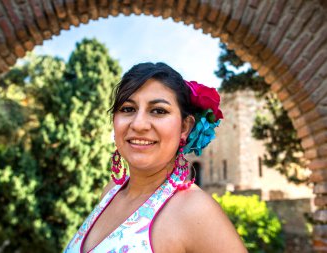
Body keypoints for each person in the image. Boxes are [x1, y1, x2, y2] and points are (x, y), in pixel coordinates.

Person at [64, 62, 247, 253]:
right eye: (127, 109)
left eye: (159, 111)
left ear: (185, 128)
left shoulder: (194, 211)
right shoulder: (111, 192)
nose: (139, 124)